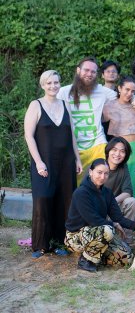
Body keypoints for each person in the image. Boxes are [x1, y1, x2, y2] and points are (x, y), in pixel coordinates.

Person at [24, 70, 82, 258]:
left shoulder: (65, 105)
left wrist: (78, 159)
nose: (53, 86)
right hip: (44, 163)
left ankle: (60, 243)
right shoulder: (36, 105)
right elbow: (29, 136)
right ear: (43, 85)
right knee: (43, 199)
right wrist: (39, 162)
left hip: (66, 162)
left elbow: (72, 135)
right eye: (49, 83)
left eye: (56, 83)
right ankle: (41, 244)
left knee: (65, 201)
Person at [59, 57, 135, 177]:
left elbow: (124, 95)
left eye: (93, 72)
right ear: (78, 71)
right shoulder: (63, 92)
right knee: (72, 185)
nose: (89, 74)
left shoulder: (102, 91)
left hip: (97, 144)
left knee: (100, 178)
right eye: (86, 70)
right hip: (73, 145)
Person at [65, 158, 135, 272]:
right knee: (108, 230)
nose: (102, 177)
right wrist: (113, 224)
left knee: (127, 258)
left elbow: (118, 218)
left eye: (106, 173)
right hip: (76, 236)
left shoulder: (107, 193)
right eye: (99, 172)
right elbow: (93, 220)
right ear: (90, 172)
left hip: (97, 234)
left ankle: (97, 255)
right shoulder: (81, 193)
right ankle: (85, 261)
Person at [102, 76, 135, 193]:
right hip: (119, 148)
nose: (129, 93)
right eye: (127, 89)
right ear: (119, 88)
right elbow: (100, 124)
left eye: (132, 91)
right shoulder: (108, 106)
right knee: (119, 182)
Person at [104, 138, 135, 222]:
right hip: (97, 209)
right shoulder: (98, 166)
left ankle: (126, 235)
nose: (117, 154)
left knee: (131, 201)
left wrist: (111, 202)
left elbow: (128, 192)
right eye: (114, 150)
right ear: (108, 151)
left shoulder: (123, 167)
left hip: (112, 207)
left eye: (122, 151)